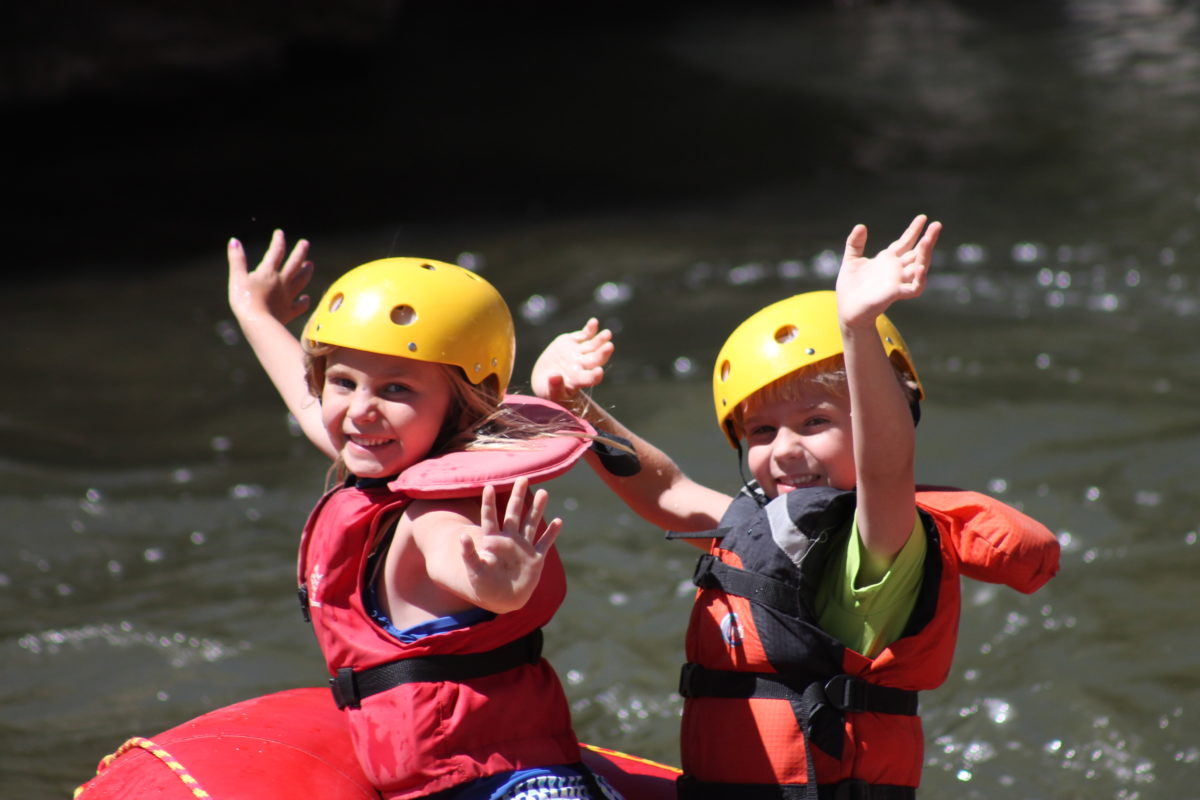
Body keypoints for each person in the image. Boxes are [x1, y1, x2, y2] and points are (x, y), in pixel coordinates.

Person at [530, 215, 1061, 799]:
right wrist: (570, 404)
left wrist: (857, 328)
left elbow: (885, 467)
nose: (785, 450)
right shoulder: (767, 526)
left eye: (816, 422)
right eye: (760, 430)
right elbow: (664, 491)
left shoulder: (881, 541)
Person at [226, 230, 622, 800]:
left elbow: (454, 554)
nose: (361, 410)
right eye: (342, 381)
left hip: (508, 785)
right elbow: (311, 404)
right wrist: (255, 311)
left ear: (463, 403)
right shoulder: (375, 452)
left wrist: (494, 585)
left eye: (396, 388)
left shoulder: (440, 508)